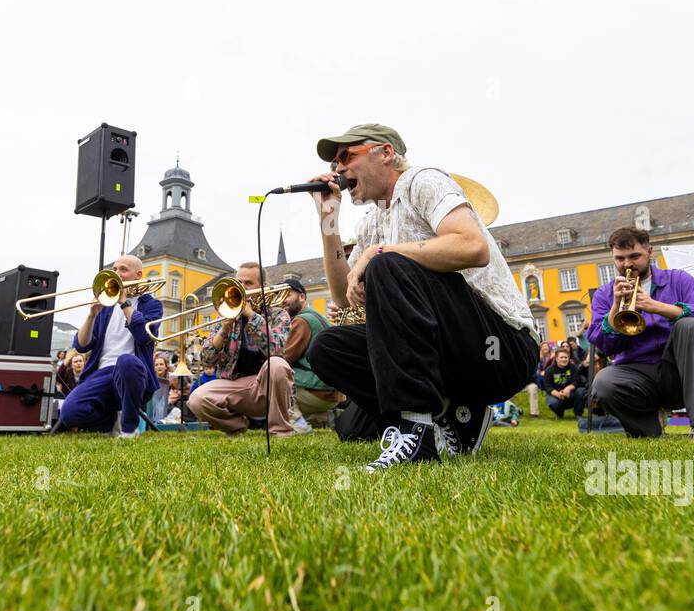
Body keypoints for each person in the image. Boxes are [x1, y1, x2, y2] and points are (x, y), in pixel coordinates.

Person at [303, 124, 537, 470]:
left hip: (502, 345)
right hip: (450, 351)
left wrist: (379, 253)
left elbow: (474, 247)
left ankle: (416, 432)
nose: (337, 169)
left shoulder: (423, 180)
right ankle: (453, 415)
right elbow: (344, 296)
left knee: (386, 264)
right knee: (327, 348)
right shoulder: (370, 223)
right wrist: (328, 220)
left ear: (384, 153)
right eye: (335, 162)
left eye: (345, 156)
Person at [587, 227, 694, 440]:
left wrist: (656, 306)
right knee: (603, 381)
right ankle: (648, 429)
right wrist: (615, 308)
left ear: (650, 251)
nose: (627, 264)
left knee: (691, 326)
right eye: (620, 259)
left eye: (634, 256)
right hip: (637, 373)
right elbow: (604, 346)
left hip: (682, 370)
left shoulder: (678, 279)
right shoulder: (605, 294)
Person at [187, 262, 298, 437]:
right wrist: (223, 330)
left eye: (248, 283)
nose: (241, 287)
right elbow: (207, 360)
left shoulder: (278, 315)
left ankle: (280, 431)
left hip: (266, 386)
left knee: (277, 364)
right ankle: (237, 427)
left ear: (263, 287)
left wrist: (251, 316)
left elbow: (276, 349)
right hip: (234, 384)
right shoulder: (226, 314)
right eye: (239, 282)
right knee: (196, 399)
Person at [58, 255, 162, 434]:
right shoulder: (105, 306)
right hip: (103, 372)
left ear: (138, 275)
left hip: (134, 372)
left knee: (126, 361)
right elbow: (82, 346)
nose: (117, 273)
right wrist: (91, 315)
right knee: (69, 414)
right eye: (115, 269)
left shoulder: (152, 305)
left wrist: (123, 302)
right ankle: (108, 423)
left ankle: (130, 429)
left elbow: (143, 336)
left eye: (123, 269)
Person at [280, 278, 338, 431]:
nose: (282, 301)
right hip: (331, 390)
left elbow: (283, 359)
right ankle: (322, 416)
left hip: (318, 390)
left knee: (272, 375)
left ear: (302, 297)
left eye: (287, 295)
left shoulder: (301, 321)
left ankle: (298, 425)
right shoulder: (316, 315)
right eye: (280, 296)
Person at [542, 348, 587, 420]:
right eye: (561, 357)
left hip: (571, 394)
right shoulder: (549, 370)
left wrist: (568, 388)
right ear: (556, 359)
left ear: (569, 358)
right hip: (556, 394)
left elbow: (576, 381)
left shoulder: (573, 367)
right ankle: (559, 414)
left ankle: (578, 414)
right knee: (552, 402)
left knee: (581, 391)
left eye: (566, 357)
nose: (564, 359)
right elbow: (547, 386)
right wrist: (558, 394)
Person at [527, 341, 554, 417]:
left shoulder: (554, 358)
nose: (545, 348)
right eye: (543, 346)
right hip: (537, 380)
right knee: (533, 387)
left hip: (549, 379)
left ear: (549, 348)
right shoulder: (536, 358)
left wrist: (546, 372)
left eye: (546, 346)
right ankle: (533, 413)